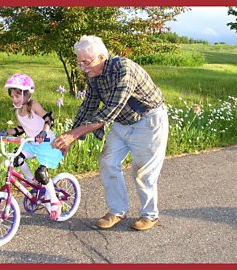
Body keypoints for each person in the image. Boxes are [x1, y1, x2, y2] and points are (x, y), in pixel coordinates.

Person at [51, 35, 169, 231]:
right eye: (79, 63)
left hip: (148, 121)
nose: (82, 68)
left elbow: (110, 110)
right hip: (122, 122)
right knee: (107, 161)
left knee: (143, 172)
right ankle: (117, 210)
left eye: (86, 63)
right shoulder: (93, 77)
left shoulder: (124, 69)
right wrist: (71, 137)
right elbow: (88, 106)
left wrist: (74, 135)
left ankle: (150, 215)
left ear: (101, 57)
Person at [0, 73, 64, 220]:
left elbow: (48, 118)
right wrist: (6, 132)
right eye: (12, 97)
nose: (14, 99)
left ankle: (54, 201)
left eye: (17, 96)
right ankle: (31, 181)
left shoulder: (34, 105)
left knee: (41, 173)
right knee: (17, 159)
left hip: (47, 143)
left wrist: (43, 132)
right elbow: (21, 129)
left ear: (26, 94)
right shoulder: (18, 111)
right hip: (32, 143)